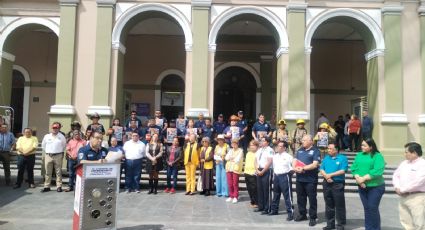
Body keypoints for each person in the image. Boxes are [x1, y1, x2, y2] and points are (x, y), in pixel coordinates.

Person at [350, 138, 385, 230]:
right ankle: (368, 228)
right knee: (367, 208)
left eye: (364, 145)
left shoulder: (377, 156)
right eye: (361, 145)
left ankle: (376, 228)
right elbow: (354, 168)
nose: (362, 147)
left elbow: (378, 171)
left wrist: (363, 178)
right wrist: (358, 178)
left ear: (371, 147)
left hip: (376, 186)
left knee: (372, 208)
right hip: (362, 186)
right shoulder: (359, 155)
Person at [392, 142, 425, 230]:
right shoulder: (404, 163)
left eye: (407, 152)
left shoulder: (422, 164)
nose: (405, 154)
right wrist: (397, 187)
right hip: (403, 197)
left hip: (417, 197)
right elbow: (396, 175)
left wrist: (403, 189)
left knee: (419, 223)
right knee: (406, 222)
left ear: (414, 153)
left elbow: (419, 181)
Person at [293, 135, 320, 226]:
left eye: (304, 140)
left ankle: (313, 217)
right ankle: (302, 214)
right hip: (300, 179)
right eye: (302, 140)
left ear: (311, 141)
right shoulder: (300, 150)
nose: (302, 141)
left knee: (312, 199)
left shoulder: (316, 151)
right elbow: (294, 160)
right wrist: (294, 168)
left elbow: (315, 165)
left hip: (310, 180)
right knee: (300, 198)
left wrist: (303, 168)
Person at [320, 144, 348, 230]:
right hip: (327, 183)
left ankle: (340, 224)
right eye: (328, 148)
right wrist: (326, 177)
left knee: (339, 204)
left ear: (336, 150)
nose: (328, 150)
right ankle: (330, 224)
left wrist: (330, 175)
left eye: (330, 149)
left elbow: (343, 170)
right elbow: (321, 169)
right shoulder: (326, 158)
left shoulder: (342, 158)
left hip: (337, 183)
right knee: (329, 204)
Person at [270, 141, 294, 221]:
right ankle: (274, 210)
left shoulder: (289, 156)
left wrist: (288, 175)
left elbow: (293, 167)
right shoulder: (275, 156)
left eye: (280, 146)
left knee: (287, 196)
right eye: (277, 146)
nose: (278, 147)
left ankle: (290, 213)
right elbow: (274, 167)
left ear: (284, 148)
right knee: (276, 194)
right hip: (276, 176)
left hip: (284, 176)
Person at [41, 123, 67, 193]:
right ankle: (47, 186)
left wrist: (59, 152)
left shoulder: (61, 136)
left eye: (56, 128)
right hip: (48, 155)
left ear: (59, 129)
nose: (55, 129)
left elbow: (64, 145)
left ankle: (59, 186)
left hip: (58, 155)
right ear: (51, 128)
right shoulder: (47, 136)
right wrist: (48, 152)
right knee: (47, 172)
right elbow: (43, 145)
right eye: (53, 128)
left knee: (58, 172)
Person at [254, 137, 274, 214]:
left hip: (266, 170)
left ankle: (267, 207)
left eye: (263, 141)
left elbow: (269, 162)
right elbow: (255, 160)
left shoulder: (270, 150)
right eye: (261, 141)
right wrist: (257, 169)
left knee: (266, 189)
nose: (261, 142)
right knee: (260, 189)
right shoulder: (259, 150)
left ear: (267, 142)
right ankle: (261, 206)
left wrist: (263, 171)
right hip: (259, 169)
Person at [225, 138, 244, 203]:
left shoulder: (240, 150)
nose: (233, 145)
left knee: (235, 183)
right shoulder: (230, 150)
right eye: (232, 143)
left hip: (235, 169)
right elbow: (226, 157)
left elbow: (237, 160)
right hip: (229, 168)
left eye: (235, 143)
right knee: (230, 183)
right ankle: (231, 196)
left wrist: (231, 158)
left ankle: (235, 196)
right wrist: (231, 158)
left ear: (237, 144)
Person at [244, 140, 258, 208]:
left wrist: (256, 171)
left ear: (256, 146)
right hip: (247, 173)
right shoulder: (248, 153)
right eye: (250, 145)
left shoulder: (258, 153)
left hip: (253, 174)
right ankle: (252, 201)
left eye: (253, 145)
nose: (251, 147)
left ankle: (256, 202)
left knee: (254, 189)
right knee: (249, 188)